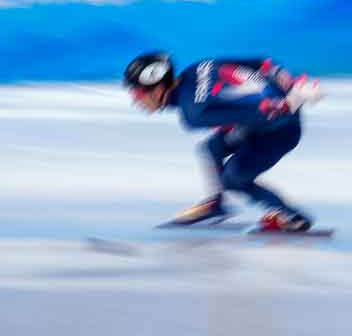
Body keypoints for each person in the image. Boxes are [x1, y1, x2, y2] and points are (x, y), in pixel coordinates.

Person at [123, 51, 322, 232]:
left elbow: (269, 112)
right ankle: (216, 204)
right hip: (271, 112)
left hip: (281, 128)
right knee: (212, 148)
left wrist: (293, 100)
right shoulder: (198, 67)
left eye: (138, 93)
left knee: (233, 179)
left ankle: (292, 216)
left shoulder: (194, 112)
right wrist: (288, 81)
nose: (135, 100)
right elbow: (262, 63)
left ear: (157, 89)